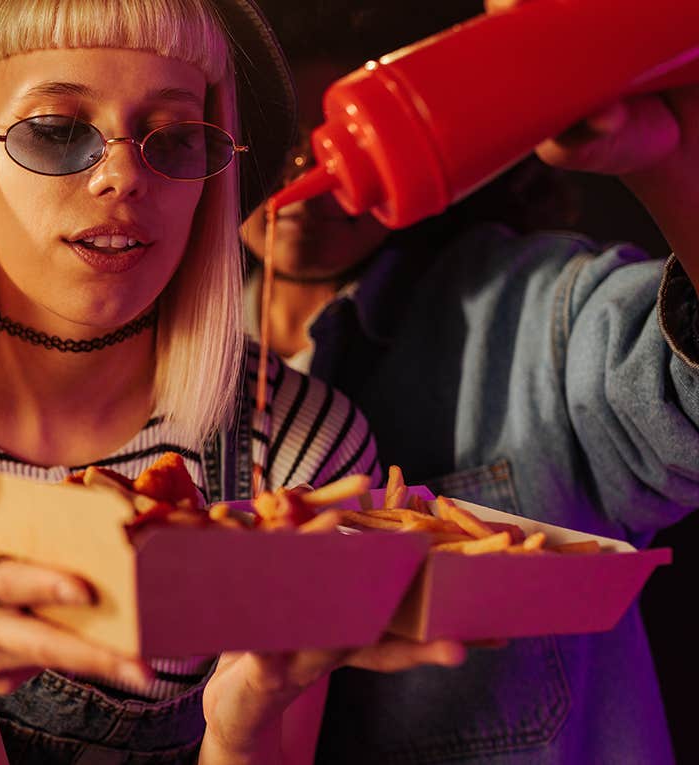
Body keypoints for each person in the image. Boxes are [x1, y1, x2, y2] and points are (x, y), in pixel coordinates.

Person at [0, 0, 470, 762]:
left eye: (173, 139)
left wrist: (243, 727)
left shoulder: (300, 445)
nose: (123, 175)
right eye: (58, 131)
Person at [241, 0, 699, 761]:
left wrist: (673, 171)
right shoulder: (163, 356)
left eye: (319, 141)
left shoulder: (537, 315)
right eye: (270, 142)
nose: (301, 178)